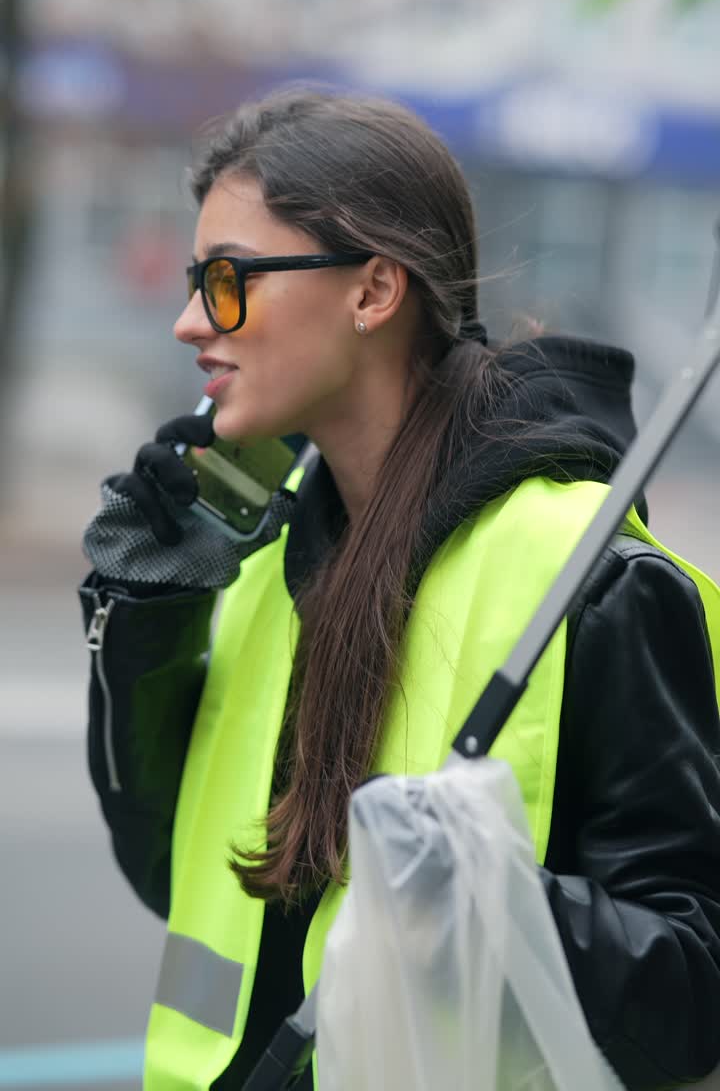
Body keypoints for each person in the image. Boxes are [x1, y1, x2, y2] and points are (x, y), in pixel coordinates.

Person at [80, 88, 720, 1091]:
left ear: (374, 290)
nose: (189, 320)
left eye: (228, 279)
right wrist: (144, 626)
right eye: (198, 281)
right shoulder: (259, 552)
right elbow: (177, 875)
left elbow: (694, 993)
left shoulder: (588, 575)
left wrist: (498, 904)